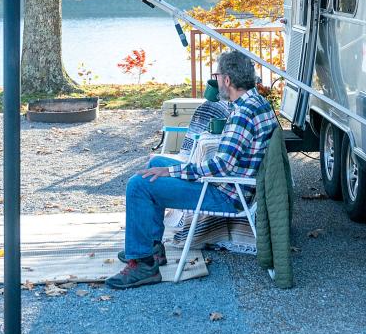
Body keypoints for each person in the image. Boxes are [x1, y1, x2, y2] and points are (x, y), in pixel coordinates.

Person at [107, 50, 277, 290]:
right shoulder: (257, 102)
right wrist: (172, 169)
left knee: (139, 185)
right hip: (235, 183)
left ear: (227, 80)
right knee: (156, 163)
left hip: (228, 193)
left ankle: (144, 265)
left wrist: (174, 172)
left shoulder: (242, 114)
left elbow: (220, 166)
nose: (216, 81)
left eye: (217, 76)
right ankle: (153, 249)